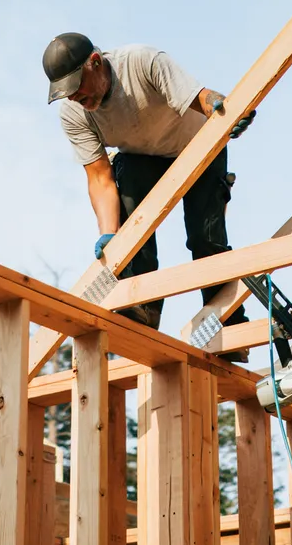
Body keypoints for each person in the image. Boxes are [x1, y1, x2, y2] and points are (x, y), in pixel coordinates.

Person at [43, 32, 252, 356]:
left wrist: (223, 111)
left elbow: (201, 97)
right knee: (126, 196)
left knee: (204, 239)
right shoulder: (74, 113)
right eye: (66, 94)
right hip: (142, 159)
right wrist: (110, 235)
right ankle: (140, 308)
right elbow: (99, 177)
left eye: (77, 89)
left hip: (196, 146)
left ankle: (228, 326)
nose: (74, 99)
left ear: (95, 64)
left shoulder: (141, 62)